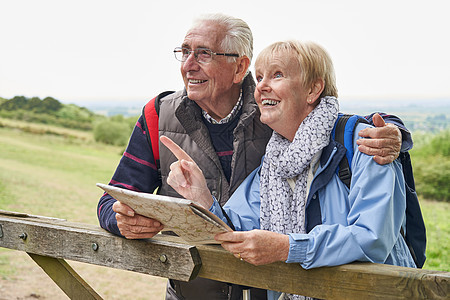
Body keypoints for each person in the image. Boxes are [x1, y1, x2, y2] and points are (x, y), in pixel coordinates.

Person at [97, 14, 409, 300]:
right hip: (196, 291)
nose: (189, 64)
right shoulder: (273, 156)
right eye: (184, 52)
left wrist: (395, 130)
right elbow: (233, 224)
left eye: (203, 53)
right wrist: (199, 198)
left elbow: (372, 238)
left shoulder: (359, 141)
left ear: (238, 67)